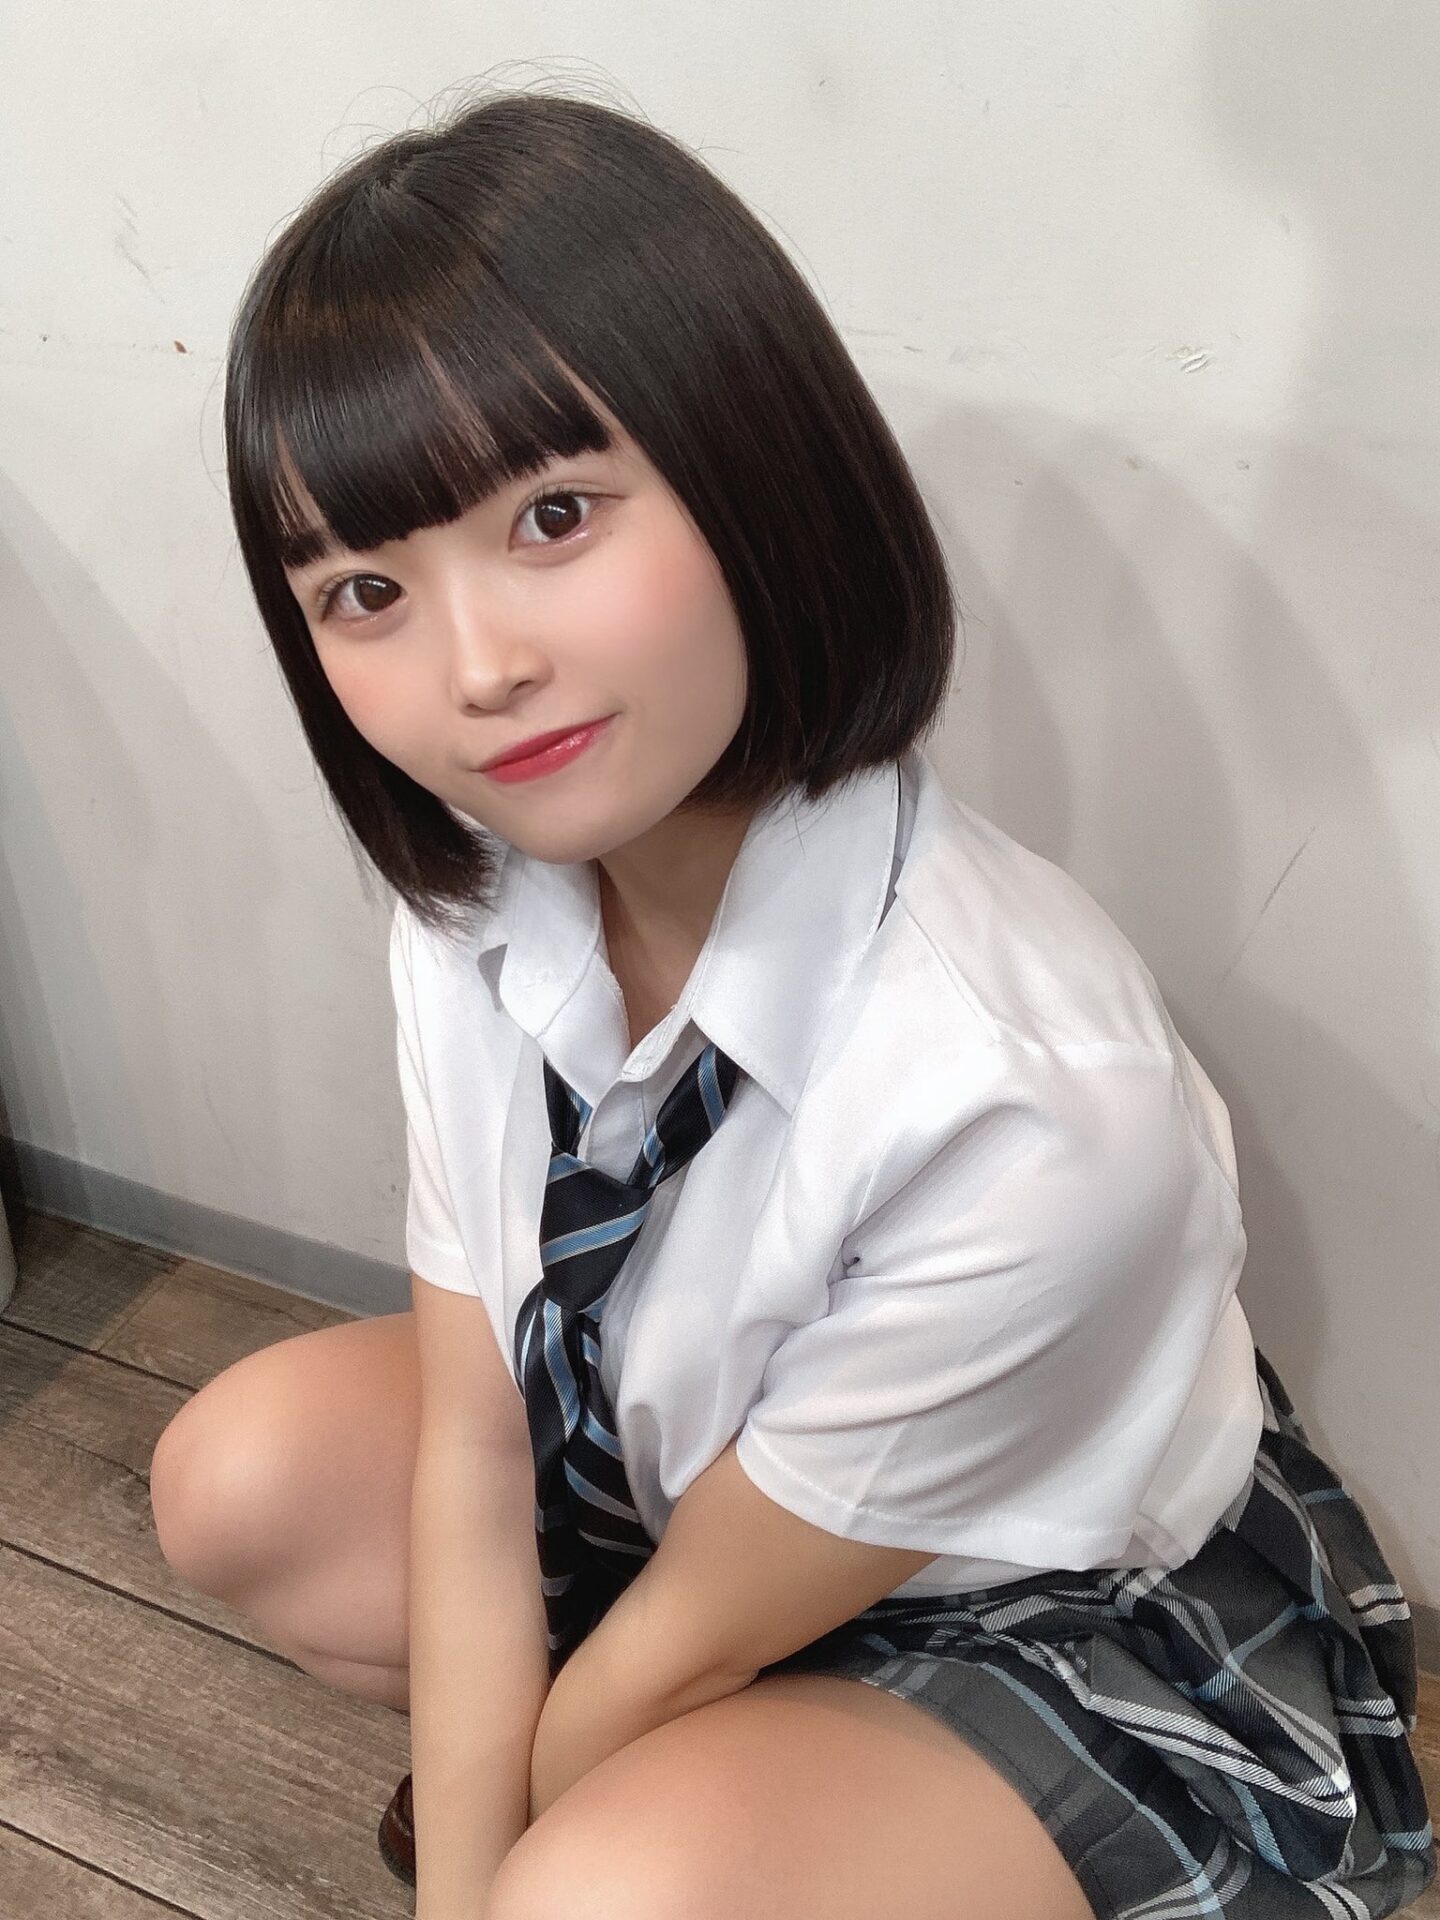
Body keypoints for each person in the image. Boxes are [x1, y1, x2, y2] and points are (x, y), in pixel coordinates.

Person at [147, 85, 1437, 1920]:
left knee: (607, 1889)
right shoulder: (482, 900)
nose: (478, 670)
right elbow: (477, 1443)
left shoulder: (1027, 1093)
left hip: (1034, 1595)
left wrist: (540, 1848)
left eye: (555, 515)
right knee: (236, 1482)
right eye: (365, 591)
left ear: (753, 469)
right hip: (683, 1482)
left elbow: (667, 1658)